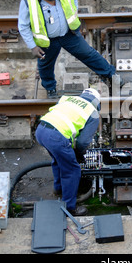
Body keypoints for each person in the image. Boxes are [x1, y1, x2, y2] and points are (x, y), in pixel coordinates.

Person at [18, 0, 122, 98]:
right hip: (48, 41)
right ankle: (50, 88)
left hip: (69, 34)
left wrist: (73, 13)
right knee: (46, 65)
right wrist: (33, 46)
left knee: (88, 53)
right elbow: (23, 26)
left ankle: (110, 74)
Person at [35, 88, 101, 216]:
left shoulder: (67, 98)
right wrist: (78, 155)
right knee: (72, 170)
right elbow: (82, 142)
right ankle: (69, 207)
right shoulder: (93, 113)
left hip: (41, 130)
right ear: (96, 102)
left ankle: (58, 188)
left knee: (57, 159)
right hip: (56, 137)